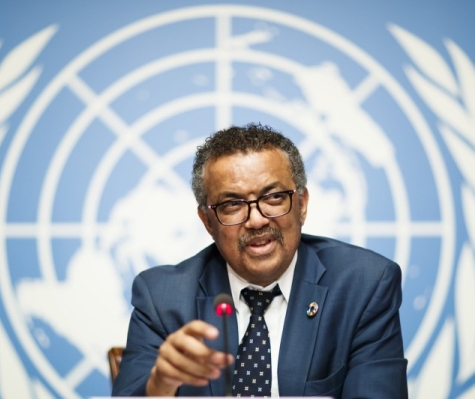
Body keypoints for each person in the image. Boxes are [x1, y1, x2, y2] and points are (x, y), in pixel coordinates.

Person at [112, 123, 408, 398]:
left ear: (302, 204)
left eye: (274, 197)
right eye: (232, 205)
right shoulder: (162, 298)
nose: (256, 220)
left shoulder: (365, 285)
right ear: (207, 221)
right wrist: (159, 387)